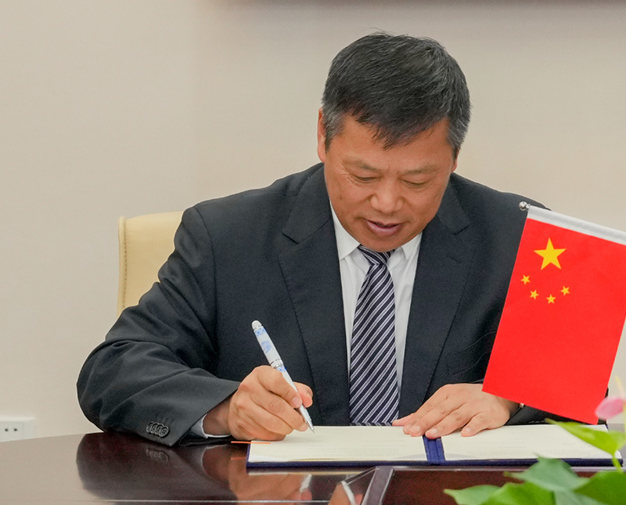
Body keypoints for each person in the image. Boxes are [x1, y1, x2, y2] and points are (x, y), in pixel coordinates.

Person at [78, 33, 540, 443]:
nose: (387, 203)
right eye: (363, 175)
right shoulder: (227, 238)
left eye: (417, 181)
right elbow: (113, 371)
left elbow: (575, 379)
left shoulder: (522, 239)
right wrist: (226, 408)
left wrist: (509, 397)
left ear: (455, 157)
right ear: (323, 136)